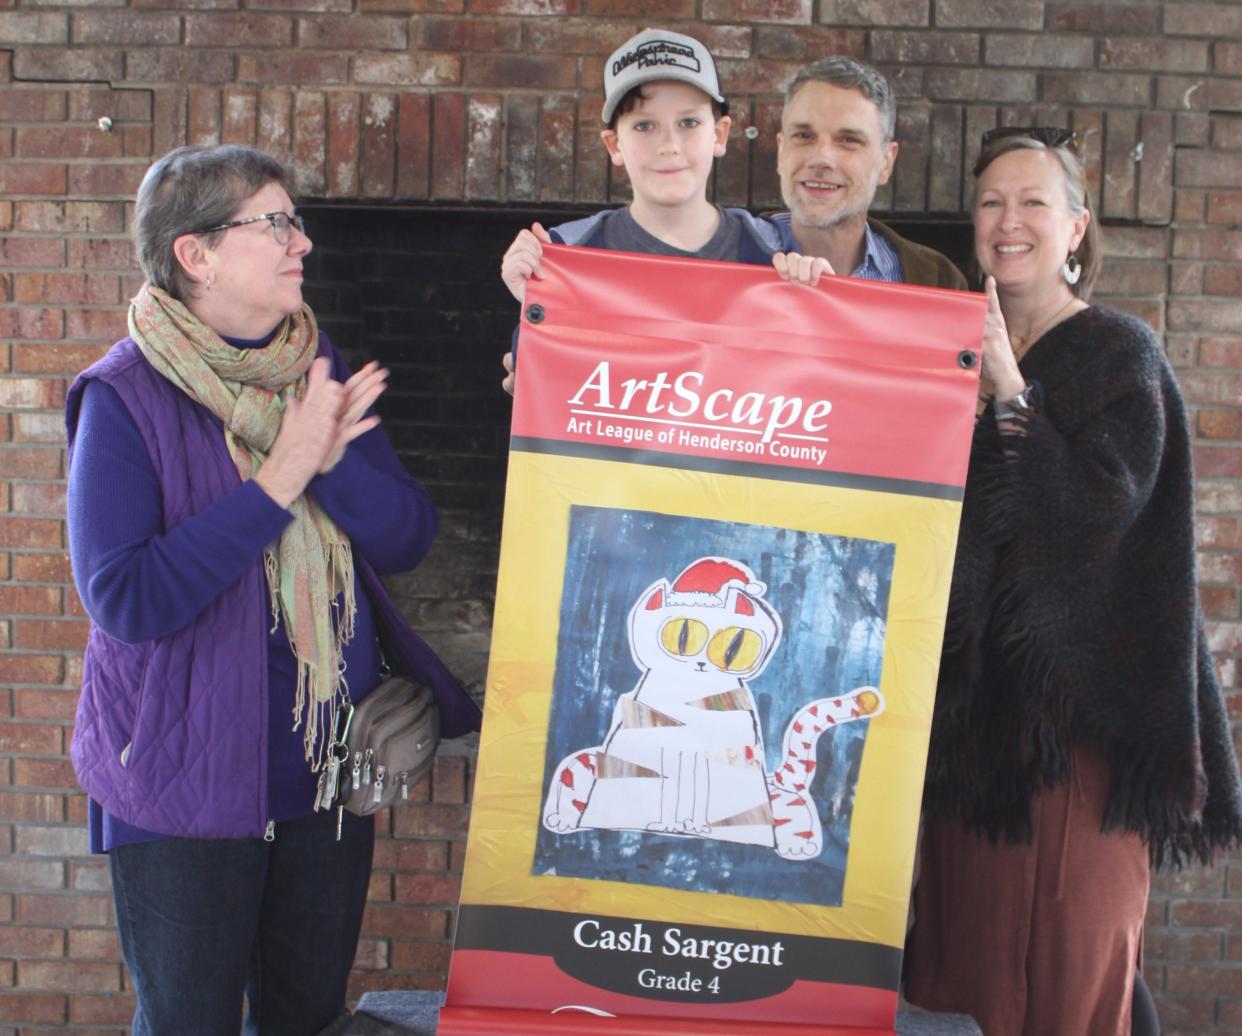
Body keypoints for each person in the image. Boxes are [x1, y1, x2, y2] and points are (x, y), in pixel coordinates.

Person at [64, 144, 481, 1036]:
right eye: (276, 223)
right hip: (183, 784)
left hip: (325, 775)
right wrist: (277, 481)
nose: (303, 242)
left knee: (305, 1020)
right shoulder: (123, 398)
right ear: (196, 253)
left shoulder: (314, 368)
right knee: (191, 1024)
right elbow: (126, 599)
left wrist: (330, 469)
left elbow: (408, 537)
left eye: (295, 221)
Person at [903, 126, 1242, 1035]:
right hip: (975, 721)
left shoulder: (1119, 351)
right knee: (978, 974)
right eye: (990, 203)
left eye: (1033, 202)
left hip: (1082, 718)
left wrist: (1012, 391)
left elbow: (1099, 515)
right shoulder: (945, 344)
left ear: (1078, 226)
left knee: (1073, 963)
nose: (1008, 221)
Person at [499, 27, 829, 392]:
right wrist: (532, 303)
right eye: (644, 125)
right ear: (614, 145)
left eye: (688, 123)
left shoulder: (775, 252)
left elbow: (811, 388)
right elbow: (543, 393)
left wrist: (824, 305)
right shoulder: (570, 252)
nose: (669, 145)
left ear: (719, 134)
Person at [771, 56, 966, 290]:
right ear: (781, 151)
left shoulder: (939, 281)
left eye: (848, 140)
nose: (821, 159)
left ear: (886, 162)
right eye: (804, 136)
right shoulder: (727, 253)